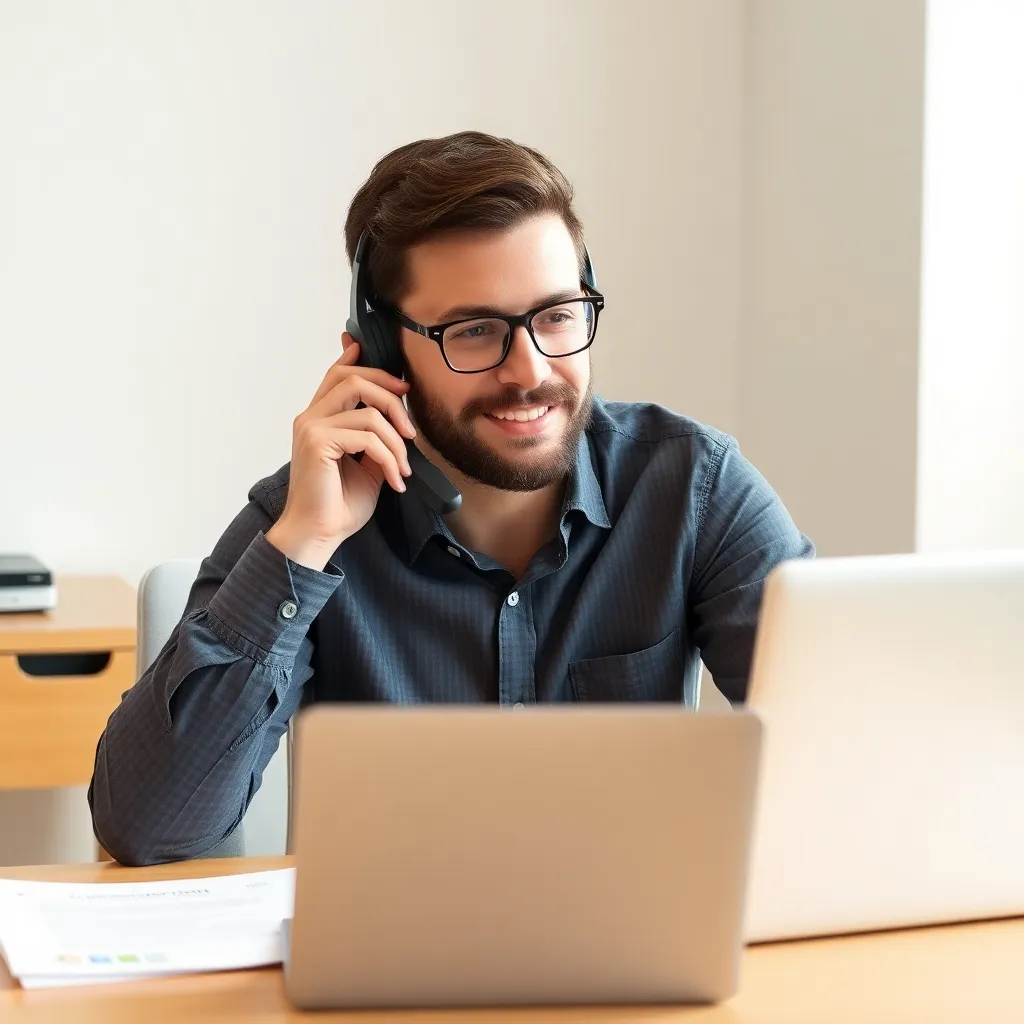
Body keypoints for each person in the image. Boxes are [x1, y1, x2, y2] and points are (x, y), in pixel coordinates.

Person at [90, 131, 813, 865]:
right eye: (475, 332)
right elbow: (148, 831)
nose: (530, 371)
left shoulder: (693, 487)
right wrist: (304, 545)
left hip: (640, 966)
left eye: (558, 316)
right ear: (379, 351)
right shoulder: (308, 513)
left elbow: (841, 760)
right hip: (383, 973)